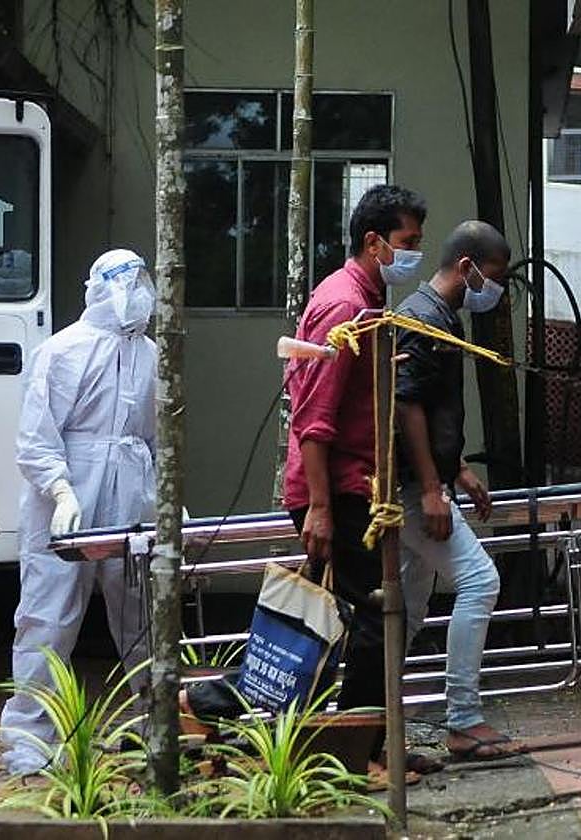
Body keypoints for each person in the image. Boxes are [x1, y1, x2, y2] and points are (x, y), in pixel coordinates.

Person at [183, 184, 428, 789]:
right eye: (407, 243)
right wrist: (319, 506)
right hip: (337, 490)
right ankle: (356, 752)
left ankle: (356, 741)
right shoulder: (343, 305)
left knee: (332, 623)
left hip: (356, 488)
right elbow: (313, 417)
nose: (412, 255)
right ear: (374, 242)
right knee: (368, 618)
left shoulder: (366, 300)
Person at [0, 249, 158, 776]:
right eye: (127, 282)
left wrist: (159, 495)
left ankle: (158, 724)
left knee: (142, 613)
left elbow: (154, 437)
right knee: (47, 617)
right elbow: (36, 437)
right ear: (98, 288)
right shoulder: (62, 351)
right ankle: (30, 741)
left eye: (142, 280)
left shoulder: (151, 355)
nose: (137, 291)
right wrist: (61, 490)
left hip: (131, 489)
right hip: (68, 492)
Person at [395, 220, 526, 759]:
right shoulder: (422, 319)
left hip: (420, 481)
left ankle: (373, 718)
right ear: (467, 266)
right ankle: (464, 719)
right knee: (480, 580)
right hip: (410, 487)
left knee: (406, 606)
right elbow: (407, 406)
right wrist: (432, 488)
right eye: (494, 277)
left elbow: (433, 408)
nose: (494, 291)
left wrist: (458, 471)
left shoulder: (439, 316)